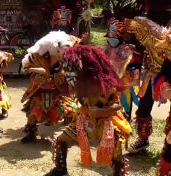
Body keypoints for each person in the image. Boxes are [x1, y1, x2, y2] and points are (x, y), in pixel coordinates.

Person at [45, 45, 131, 176]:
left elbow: (117, 107)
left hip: (106, 123)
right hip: (84, 120)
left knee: (115, 155)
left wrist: (100, 112)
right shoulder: (79, 82)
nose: (69, 72)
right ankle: (60, 170)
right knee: (61, 140)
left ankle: (119, 173)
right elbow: (67, 90)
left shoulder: (104, 84)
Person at [125, 16, 171, 175]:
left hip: (167, 76)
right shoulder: (150, 28)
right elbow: (139, 49)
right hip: (152, 75)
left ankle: (168, 145)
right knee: (143, 108)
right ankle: (143, 140)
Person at [20, 31, 78, 143]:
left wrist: (66, 79)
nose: (61, 54)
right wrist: (35, 71)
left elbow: (71, 77)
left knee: (68, 110)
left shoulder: (66, 62)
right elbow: (26, 67)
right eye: (59, 52)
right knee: (33, 115)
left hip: (57, 94)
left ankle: (69, 125)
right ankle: (30, 133)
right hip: (40, 93)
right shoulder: (38, 58)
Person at [104, 18, 142, 121]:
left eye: (114, 36)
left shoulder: (128, 50)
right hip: (109, 84)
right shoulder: (107, 48)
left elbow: (135, 69)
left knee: (124, 109)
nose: (111, 38)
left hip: (124, 85)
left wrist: (132, 81)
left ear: (121, 36)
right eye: (109, 36)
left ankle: (124, 128)